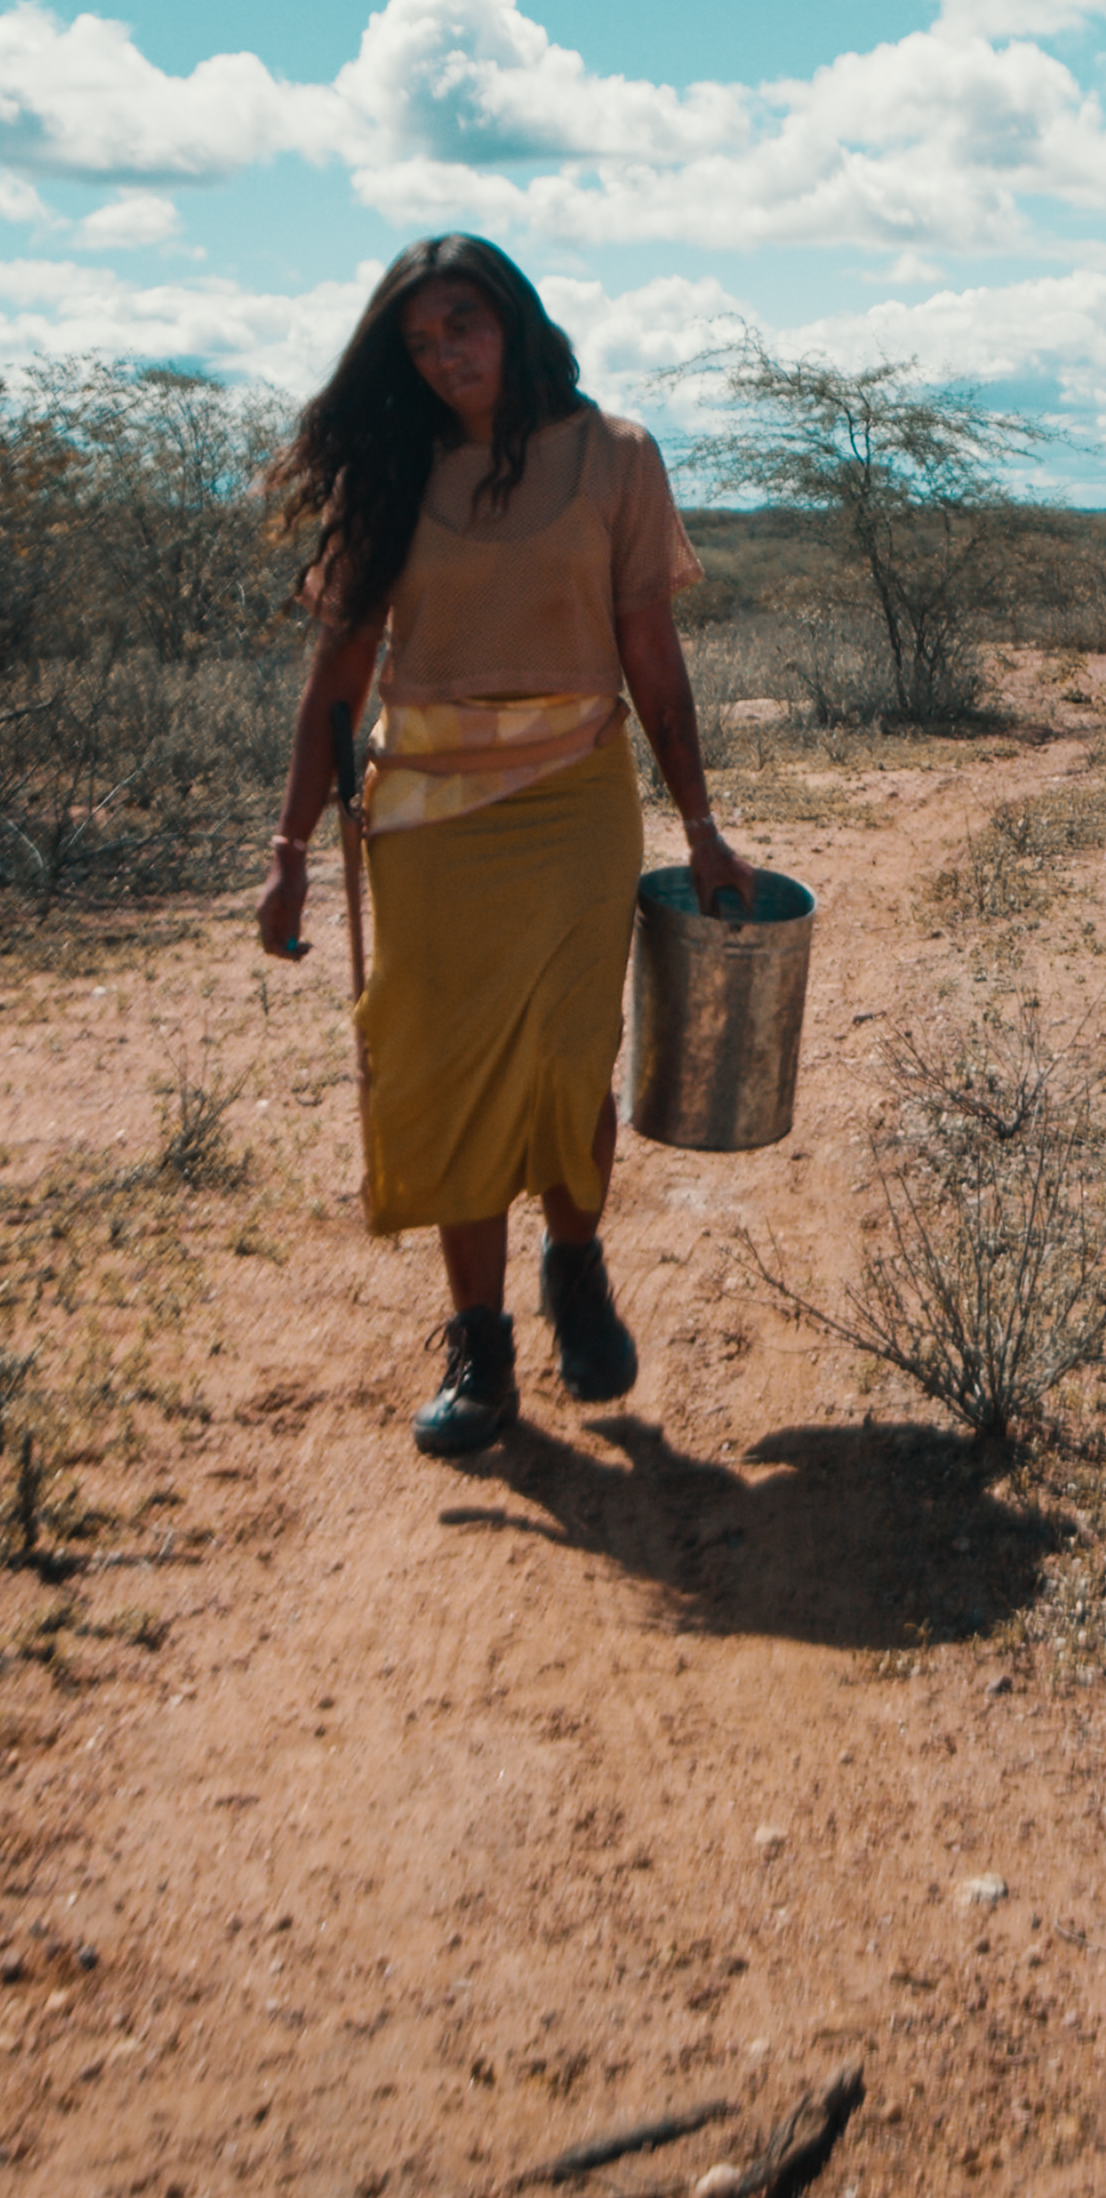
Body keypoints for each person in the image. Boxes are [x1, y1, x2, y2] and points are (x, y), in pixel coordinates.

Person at [256, 234, 755, 1460]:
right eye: (421, 342)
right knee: (447, 1075)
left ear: (515, 322)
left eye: (462, 327)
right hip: (425, 819)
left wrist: (700, 821)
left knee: (571, 1062)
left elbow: (652, 658)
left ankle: (574, 1266)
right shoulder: (389, 472)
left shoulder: (616, 457)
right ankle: (478, 1348)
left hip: (574, 802)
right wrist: (288, 844)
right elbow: (341, 671)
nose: (443, 358)